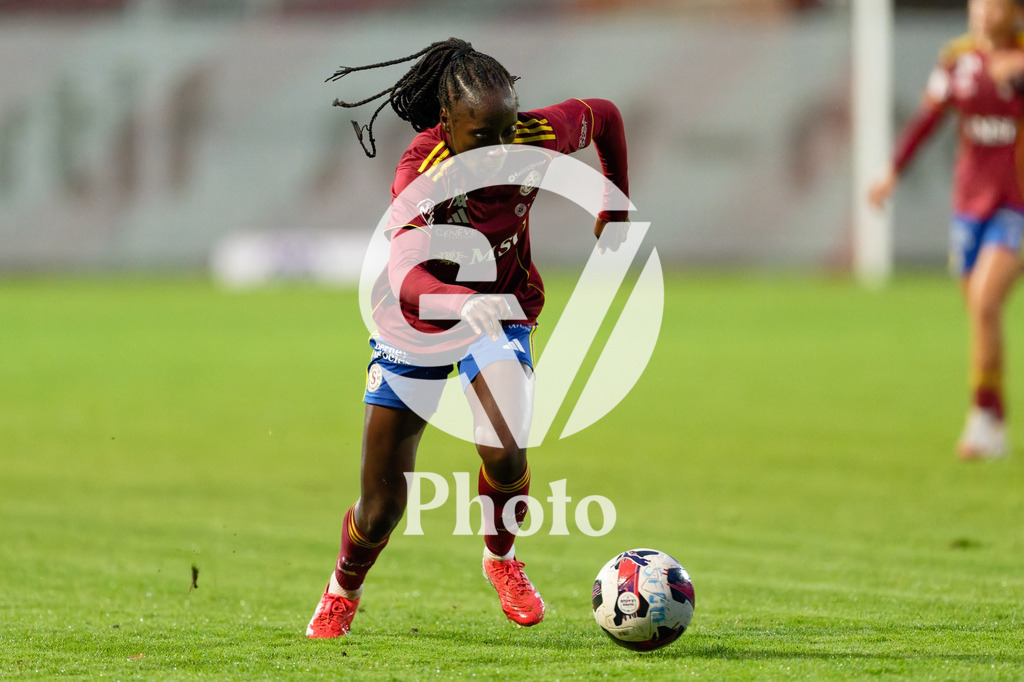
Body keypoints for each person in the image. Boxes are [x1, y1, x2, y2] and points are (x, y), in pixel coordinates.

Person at [306, 38, 630, 638]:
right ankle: (342, 590)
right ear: (446, 126)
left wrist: (614, 197)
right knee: (381, 509)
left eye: (506, 130)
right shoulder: (420, 173)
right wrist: (463, 302)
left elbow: (604, 115)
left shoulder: (536, 136)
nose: (500, 149)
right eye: (482, 137)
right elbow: (404, 275)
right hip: (417, 320)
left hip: (501, 310)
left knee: (506, 450)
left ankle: (502, 561)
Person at [869, 0, 1024, 460]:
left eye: (995, 3)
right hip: (968, 208)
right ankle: (995, 417)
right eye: (979, 2)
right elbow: (927, 120)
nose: (984, 11)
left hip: (1014, 206)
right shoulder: (957, 59)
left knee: (985, 300)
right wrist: (891, 171)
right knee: (980, 316)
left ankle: (982, 419)